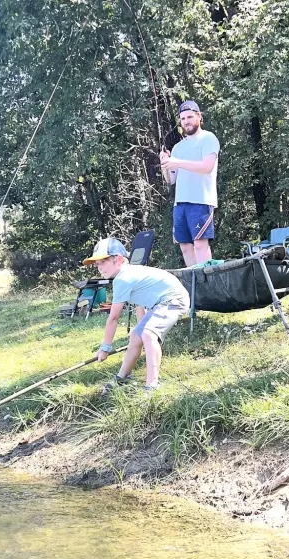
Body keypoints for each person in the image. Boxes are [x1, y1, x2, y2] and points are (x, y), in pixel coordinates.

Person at [83, 238, 190, 393]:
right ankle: (122, 377)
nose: (99, 268)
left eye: (103, 262)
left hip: (173, 300)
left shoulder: (123, 278)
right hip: (160, 304)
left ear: (118, 259)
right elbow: (140, 302)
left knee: (148, 334)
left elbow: (113, 318)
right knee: (136, 336)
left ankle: (152, 386)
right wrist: (140, 330)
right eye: (97, 264)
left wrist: (105, 348)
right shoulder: (129, 273)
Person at [159, 100, 221, 267]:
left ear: (199, 117)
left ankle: (208, 284)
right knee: (185, 246)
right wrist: (165, 163)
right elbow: (170, 179)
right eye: (183, 118)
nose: (186, 121)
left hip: (201, 201)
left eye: (190, 117)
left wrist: (177, 162)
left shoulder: (208, 138)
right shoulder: (178, 147)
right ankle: (196, 287)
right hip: (180, 203)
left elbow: (207, 167)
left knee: (200, 244)